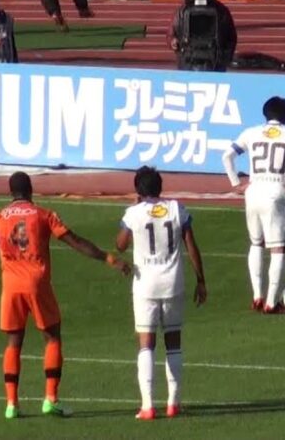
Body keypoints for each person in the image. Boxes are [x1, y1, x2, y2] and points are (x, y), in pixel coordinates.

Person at [0, 171, 131, 420]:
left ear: (11, 192)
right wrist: (107, 257)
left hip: (11, 287)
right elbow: (74, 241)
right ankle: (50, 398)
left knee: (13, 343)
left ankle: (11, 404)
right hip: (37, 284)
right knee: (52, 337)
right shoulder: (43, 215)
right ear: (30, 190)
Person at [114, 166, 208, 420]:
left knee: (146, 344)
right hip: (173, 283)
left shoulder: (134, 213)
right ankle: (173, 403)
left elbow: (120, 245)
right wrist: (201, 280)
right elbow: (191, 245)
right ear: (160, 186)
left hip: (145, 285)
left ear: (138, 190)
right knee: (173, 342)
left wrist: (134, 214)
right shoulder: (177, 209)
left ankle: (147, 406)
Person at [220, 96, 285, 313]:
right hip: (276, 191)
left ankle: (257, 296)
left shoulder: (251, 132)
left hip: (253, 191)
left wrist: (236, 184)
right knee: (278, 248)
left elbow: (227, 156)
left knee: (256, 243)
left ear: (265, 113)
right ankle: (271, 302)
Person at [167, 0, 238, 71]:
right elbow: (232, 37)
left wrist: (225, 57)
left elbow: (231, 38)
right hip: (196, 62)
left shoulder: (182, 11)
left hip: (210, 62)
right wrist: (173, 42)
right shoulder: (222, 11)